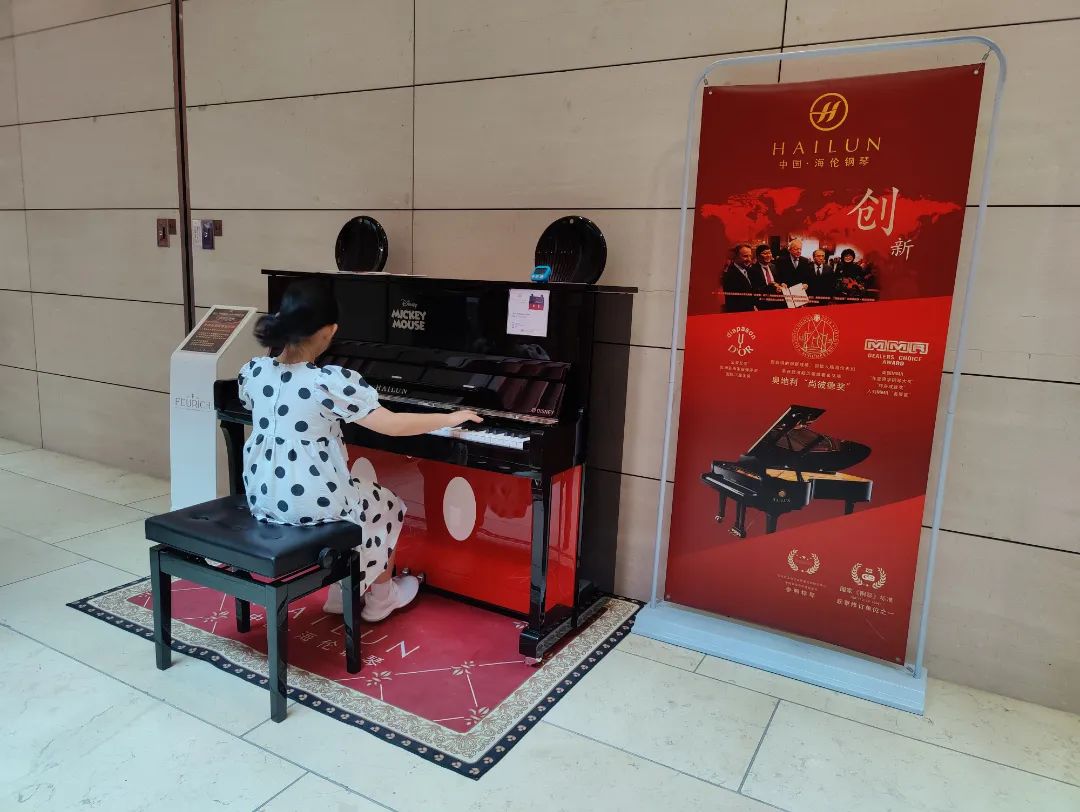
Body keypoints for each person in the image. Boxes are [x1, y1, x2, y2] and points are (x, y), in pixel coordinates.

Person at [238, 279, 482, 621]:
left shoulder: (254, 372)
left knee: (358, 497)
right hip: (310, 503)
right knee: (385, 504)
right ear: (329, 332)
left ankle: (342, 594)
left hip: (264, 496)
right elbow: (392, 425)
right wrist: (449, 417)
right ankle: (382, 597)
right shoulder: (326, 382)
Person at [721, 243, 761, 312]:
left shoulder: (749, 270)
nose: (749, 259)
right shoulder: (730, 275)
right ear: (735, 257)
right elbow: (736, 302)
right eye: (745, 256)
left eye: (750, 256)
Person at [751, 244, 784, 309]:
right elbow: (755, 290)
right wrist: (770, 287)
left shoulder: (773, 267)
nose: (768, 255)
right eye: (765, 253)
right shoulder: (753, 270)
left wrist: (781, 284)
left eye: (769, 253)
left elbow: (777, 282)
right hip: (763, 304)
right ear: (758, 256)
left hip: (777, 302)